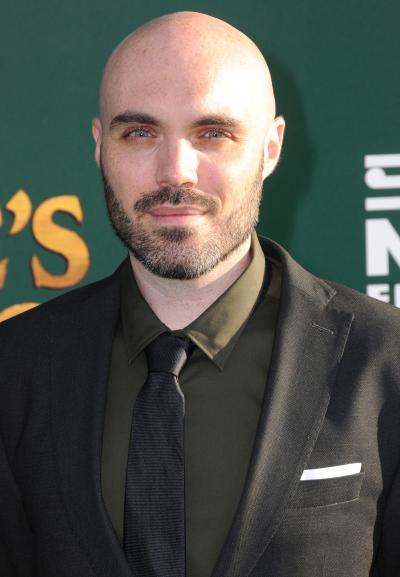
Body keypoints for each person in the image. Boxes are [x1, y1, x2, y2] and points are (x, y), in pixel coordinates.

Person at [0, 10, 399, 577]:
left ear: (270, 147)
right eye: (140, 133)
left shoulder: (386, 360)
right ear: (100, 146)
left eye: (213, 133)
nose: (175, 172)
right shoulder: (15, 367)